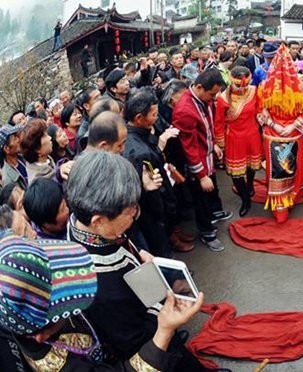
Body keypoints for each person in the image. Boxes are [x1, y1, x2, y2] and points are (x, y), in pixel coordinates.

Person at [65, 151, 209, 371]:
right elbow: (137, 342)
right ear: (98, 220)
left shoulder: (82, 221)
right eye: (129, 210)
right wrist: (166, 314)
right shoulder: (100, 287)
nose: (135, 213)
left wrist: (140, 257)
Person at [0, 234, 205, 371]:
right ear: (43, 334)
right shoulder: (59, 365)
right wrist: (164, 330)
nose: (75, 282)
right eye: (66, 296)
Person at [123, 87, 191, 256]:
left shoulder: (140, 135)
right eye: (153, 115)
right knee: (160, 244)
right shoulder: (139, 152)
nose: (156, 118)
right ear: (139, 118)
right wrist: (167, 207)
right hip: (153, 209)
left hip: (156, 204)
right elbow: (154, 190)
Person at [172, 68, 233, 252]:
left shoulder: (201, 100)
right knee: (201, 198)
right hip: (197, 163)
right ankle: (207, 232)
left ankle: (214, 212)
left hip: (207, 155)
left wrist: (213, 144)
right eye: (212, 94)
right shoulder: (185, 110)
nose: (214, 99)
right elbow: (189, 148)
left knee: (211, 190)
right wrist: (201, 175)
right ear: (199, 87)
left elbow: (206, 127)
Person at [256, 45, 303, 223]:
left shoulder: (265, 87)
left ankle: (279, 202)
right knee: (287, 168)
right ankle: (289, 198)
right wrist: (291, 126)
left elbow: (261, 114)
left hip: (276, 133)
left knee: (278, 170)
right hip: (291, 133)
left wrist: (275, 125)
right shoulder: (301, 88)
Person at [214, 66, 262, 217]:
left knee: (251, 166)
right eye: (238, 85)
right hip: (234, 138)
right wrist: (221, 144)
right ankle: (246, 199)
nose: (242, 89)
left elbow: (260, 109)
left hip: (252, 134)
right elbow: (219, 123)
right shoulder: (222, 98)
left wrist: (263, 117)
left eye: (245, 85)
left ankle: (250, 185)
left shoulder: (255, 91)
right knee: (236, 173)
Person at [19, 119, 55, 184]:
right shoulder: (38, 181)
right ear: (37, 149)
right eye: (45, 136)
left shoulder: (46, 159)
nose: (50, 138)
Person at [0, 124, 28, 189]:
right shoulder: (8, 180)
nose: (18, 139)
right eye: (14, 139)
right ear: (7, 149)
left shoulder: (23, 157)